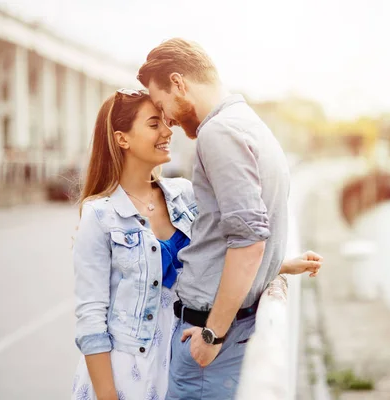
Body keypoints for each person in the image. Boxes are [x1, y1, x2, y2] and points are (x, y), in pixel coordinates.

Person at [72, 88, 322, 400]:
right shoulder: (99, 215)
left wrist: (279, 264)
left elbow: (214, 259)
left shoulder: (185, 194)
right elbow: (91, 316)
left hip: (183, 356)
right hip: (127, 373)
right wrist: (107, 395)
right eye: (154, 125)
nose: (168, 131)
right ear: (122, 139)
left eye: (165, 122)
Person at [137, 38, 301, 399]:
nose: (168, 120)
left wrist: (212, 334)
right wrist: (281, 266)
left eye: (164, 105)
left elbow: (249, 241)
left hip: (212, 345)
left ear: (179, 83)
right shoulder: (246, 121)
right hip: (228, 336)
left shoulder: (218, 132)